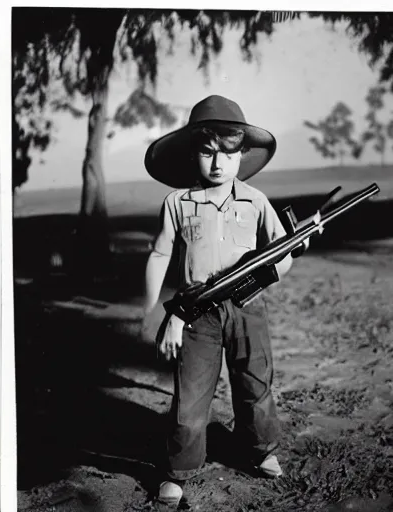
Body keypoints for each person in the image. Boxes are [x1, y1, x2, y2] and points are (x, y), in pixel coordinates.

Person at [143, 95, 307, 506]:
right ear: (192, 154)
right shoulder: (178, 203)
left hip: (247, 308)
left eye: (228, 153)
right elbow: (160, 254)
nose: (218, 163)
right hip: (197, 314)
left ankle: (261, 452)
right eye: (207, 151)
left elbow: (280, 257)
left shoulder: (255, 201)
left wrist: (284, 257)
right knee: (191, 395)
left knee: (255, 384)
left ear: (242, 155)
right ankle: (179, 470)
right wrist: (153, 313)